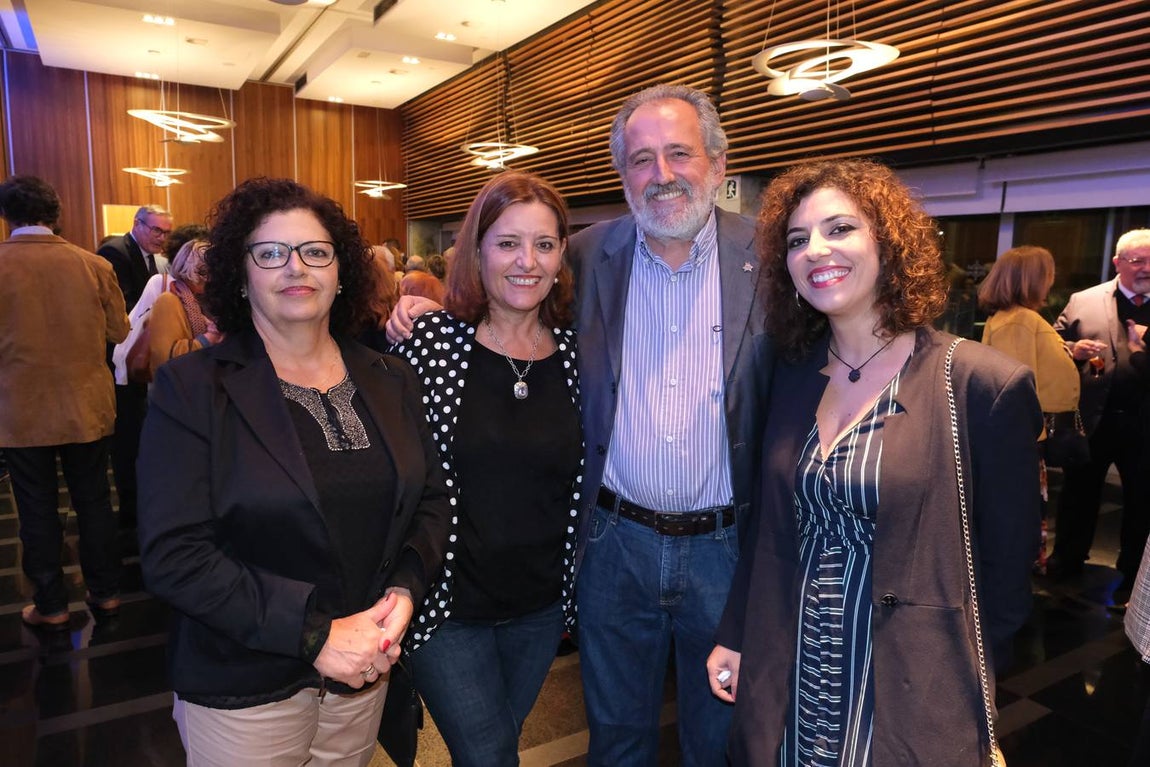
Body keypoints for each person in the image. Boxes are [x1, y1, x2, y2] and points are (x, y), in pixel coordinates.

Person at [386, 83, 771, 765]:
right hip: (612, 546)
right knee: (616, 739)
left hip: (726, 547)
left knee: (720, 742)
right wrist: (416, 313)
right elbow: (499, 302)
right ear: (622, 175)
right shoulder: (590, 256)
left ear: (717, 162)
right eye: (641, 159)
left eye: (678, 153)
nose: (661, 175)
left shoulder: (772, 261)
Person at [707, 159, 1042, 765]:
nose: (815, 250)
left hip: (909, 685)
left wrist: (960, 685)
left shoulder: (979, 384)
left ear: (888, 242)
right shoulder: (787, 373)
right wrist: (736, 633)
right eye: (796, 239)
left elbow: (1006, 573)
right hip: (790, 667)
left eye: (839, 229)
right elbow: (769, 529)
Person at [136, 177, 452, 765]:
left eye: (315, 251)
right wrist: (315, 636)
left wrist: (405, 592)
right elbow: (175, 554)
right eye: (271, 253)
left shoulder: (389, 378)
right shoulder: (193, 388)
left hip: (364, 677)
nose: (295, 268)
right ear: (241, 272)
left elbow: (430, 501)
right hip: (245, 683)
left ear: (340, 272)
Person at [390, 171, 582, 766]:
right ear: (476, 252)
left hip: (544, 604)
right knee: (491, 753)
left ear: (560, 259)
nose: (527, 261)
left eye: (544, 245)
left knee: (497, 743)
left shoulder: (580, 352)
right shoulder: (431, 342)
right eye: (507, 243)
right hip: (448, 605)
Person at [0, 175, 129, 627]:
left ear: (7, 215)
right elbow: (120, 332)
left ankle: (52, 606)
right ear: (57, 215)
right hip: (87, 405)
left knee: (35, 507)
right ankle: (107, 592)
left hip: (20, 409)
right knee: (94, 500)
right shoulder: (93, 264)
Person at [1049, 228, 1150, 608]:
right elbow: (1053, 344)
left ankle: (1132, 577)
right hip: (1093, 420)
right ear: (1117, 263)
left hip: (1144, 426)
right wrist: (1072, 350)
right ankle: (1067, 563)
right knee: (1078, 494)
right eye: (1137, 261)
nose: (1145, 269)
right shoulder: (1083, 300)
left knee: (1142, 502)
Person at [978, 245, 1079, 570]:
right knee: (1016, 512)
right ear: (1032, 279)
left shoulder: (1016, 318)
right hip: (1019, 438)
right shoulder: (1019, 321)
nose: (1051, 281)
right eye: (1048, 275)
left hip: (1021, 435)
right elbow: (1014, 389)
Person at [99, 204, 174, 529]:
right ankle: (130, 505)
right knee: (128, 433)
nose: (162, 237)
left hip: (143, 348)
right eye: (156, 230)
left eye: (167, 232)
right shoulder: (115, 251)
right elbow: (124, 306)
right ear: (138, 224)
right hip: (122, 351)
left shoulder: (156, 260)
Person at [147, 238, 223, 372]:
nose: (211, 278)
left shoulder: (207, 300)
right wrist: (208, 338)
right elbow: (164, 359)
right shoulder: (169, 301)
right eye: (204, 272)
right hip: (178, 386)